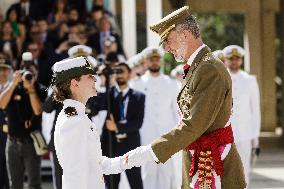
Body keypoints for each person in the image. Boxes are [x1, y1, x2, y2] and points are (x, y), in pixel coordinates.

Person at [121, 6, 246, 189]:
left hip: (214, 166)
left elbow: (193, 125)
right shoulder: (199, 66)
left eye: (168, 40)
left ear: (185, 34)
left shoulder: (208, 68)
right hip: (203, 160)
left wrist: (147, 152)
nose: (166, 48)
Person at [52, 56, 130, 189]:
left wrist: (136, 157)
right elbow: (75, 176)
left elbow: (96, 164)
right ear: (74, 84)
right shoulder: (73, 121)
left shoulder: (79, 116)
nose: (95, 79)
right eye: (89, 76)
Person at [130, 47, 180, 189]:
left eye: (157, 59)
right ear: (146, 62)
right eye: (151, 59)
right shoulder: (136, 84)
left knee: (166, 172)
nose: (155, 62)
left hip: (167, 134)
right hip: (145, 133)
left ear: (161, 61)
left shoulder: (171, 84)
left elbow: (176, 111)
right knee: (148, 172)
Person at [0, 56, 46, 189]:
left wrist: (31, 90)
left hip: (31, 142)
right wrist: (14, 83)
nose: (28, 76)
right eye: (25, 72)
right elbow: (2, 104)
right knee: (14, 183)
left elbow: (38, 111)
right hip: (12, 142)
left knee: (34, 183)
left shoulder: (40, 88)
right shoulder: (13, 87)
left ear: (36, 73)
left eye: (31, 73)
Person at [101, 62, 145, 189]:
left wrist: (117, 127)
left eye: (122, 71)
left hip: (131, 145)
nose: (119, 74)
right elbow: (96, 106)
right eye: (117, 71)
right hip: (111, 146)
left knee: (136, 182)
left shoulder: (139, 97)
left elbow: (138, 123)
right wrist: (105, 80)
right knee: (111, 184)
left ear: (129, 74)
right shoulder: (108, 95)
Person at [223, 45, 261, 187]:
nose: (234, 61)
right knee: (224, 170)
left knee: (244, 170)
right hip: (224, 134)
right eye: (231, 59)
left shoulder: (250, 80)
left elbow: (255, 110)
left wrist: (255, 137)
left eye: (237, 58)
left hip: (245, 134)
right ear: (225, 60)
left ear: (241, 60)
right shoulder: (220, 78)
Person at [0, 56, 12, 189]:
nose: (2, 72)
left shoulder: (14, 87)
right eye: (0, 69)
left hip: (11, 132)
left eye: (5, 69)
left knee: (10, 170)